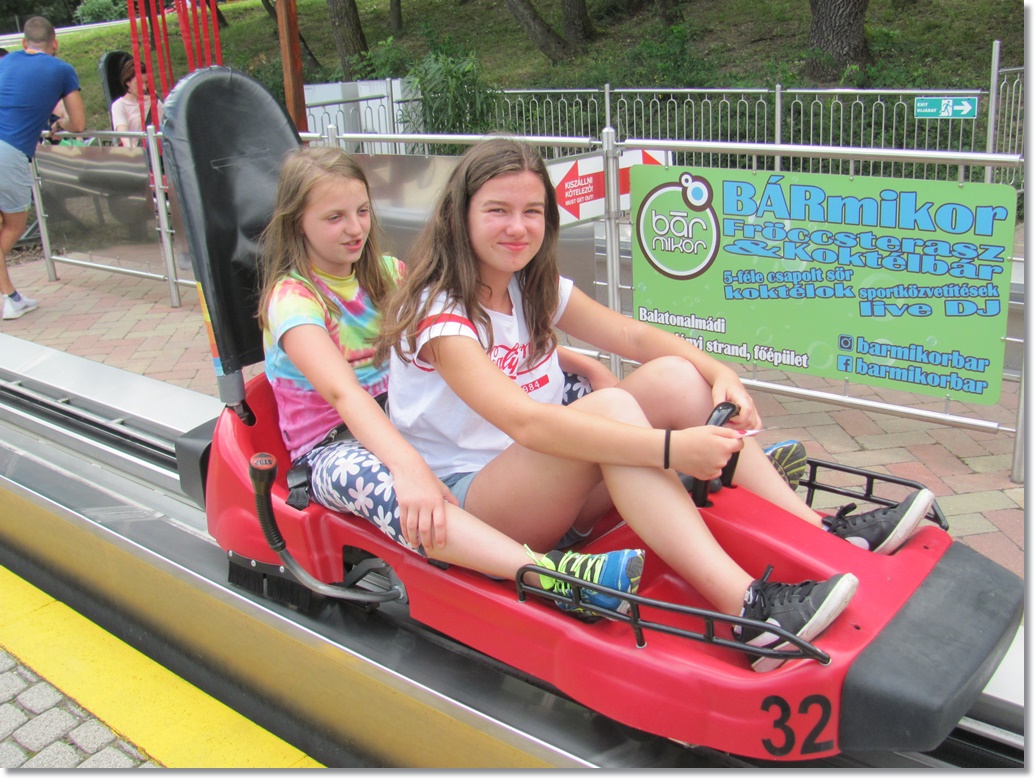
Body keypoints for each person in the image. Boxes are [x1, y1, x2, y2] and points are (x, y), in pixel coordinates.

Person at [377, 137, 936, 671]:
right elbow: (526, 423)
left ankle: (819, 530)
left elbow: (633, 336)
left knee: (675, 377)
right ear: (461, 216)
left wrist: (720, 373)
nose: (518, 227)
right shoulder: (440, 312)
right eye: (498, 210)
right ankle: (750, 612)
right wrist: (672, 450)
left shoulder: (528, 284)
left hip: (550, 485)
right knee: (612, 410)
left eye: (533, 211)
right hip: (479, 504)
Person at [257, 145, 647, 626]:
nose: (355, 228)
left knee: (577, 398)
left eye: (361, 211)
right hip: (334, 441)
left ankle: (609, 497)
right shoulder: (293, 300)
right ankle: (549, 576)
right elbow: (344, 394)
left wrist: (580, 365)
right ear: (298, 223)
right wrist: (408, 467)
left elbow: (473, 349)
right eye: (335, 217)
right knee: (396, 489)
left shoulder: (388, 273)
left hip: (399, 415)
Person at [0, 16, 85, 321]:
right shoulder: (62, 69)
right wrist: (59, 124)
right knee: (13, 226)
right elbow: (79, 124)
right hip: (9, 152)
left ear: (24, 43)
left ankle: (12, 298)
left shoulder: (6, 62)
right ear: (55, 44)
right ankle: (10, 300)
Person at [110, 58, 163, 148]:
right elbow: (124, 136)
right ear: (128, 82)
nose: (144, 87)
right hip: (139, 151)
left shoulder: (154, 101)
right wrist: (137, 153)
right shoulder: (119, 105)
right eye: (138, 83)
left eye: (146, 82)